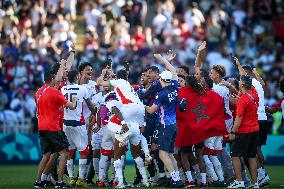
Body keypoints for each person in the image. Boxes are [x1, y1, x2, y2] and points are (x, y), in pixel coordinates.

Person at [97, 68, 149, 188]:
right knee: (136, 152)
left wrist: (103, 72)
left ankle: (120, 183)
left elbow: (100, 82)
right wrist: (143, 124)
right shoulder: (130, 88)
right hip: (139, 111)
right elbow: (142, 107)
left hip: (127, 113)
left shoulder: (116, 85)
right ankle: (146, 179)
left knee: (117, 154)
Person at [33, 70, 77, 188]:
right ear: (52, 78)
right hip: (53, 127)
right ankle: (59, 182)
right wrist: (74, 99)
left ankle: (38, 182)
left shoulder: (38, 92)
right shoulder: (54, 91)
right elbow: (72, 106)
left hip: (41, 126)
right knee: (64, 154)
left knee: (46, 155)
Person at [146, 52, 183, 188]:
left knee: (162, 154)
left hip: (165, 126)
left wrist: (140, 105)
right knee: (170, 154)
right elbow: (173, 71)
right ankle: (177, 178)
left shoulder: (161, 94)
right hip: (173, 125)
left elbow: (151, 110)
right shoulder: (175, 87)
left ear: (161, 80)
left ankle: (176, 179)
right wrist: (164, 60)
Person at [233, 58, 270, 187]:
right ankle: (262, 175)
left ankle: (262, 175)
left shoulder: (250, 83)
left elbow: (243, 76)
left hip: (255, 119)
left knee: (252, 152)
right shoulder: (258, 83)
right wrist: (256, 72)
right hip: (262, 118)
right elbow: (263, 83)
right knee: (255, 150)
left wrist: (238, 64)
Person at [61, 70, 96, 187]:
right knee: (83, 151)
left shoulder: (63, 89)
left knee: (70, 150)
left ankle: (71, 178)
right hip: (78, 123)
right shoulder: (82, 89)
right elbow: (90, 104)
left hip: (65, 123)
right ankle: (81, 179)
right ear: (77, 77)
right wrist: (95, 114)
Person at [228, 75, 259, 189]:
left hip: (244, 131)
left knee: (235, 155)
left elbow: (239, 118)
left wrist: (233, 132)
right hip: (255, 129)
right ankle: (255, 183)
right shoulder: (254, 95)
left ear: (241, 85)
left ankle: (239, 181)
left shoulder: (242, 100)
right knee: (251, 156)